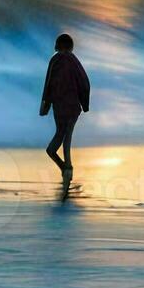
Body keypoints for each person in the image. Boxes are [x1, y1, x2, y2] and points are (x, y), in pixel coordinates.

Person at [41, 33, 91, 181]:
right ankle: (67, 168)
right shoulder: (74, 60)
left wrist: (46, 104)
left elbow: (48, 84)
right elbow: (85, 83)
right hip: (73, 106)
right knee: (67, 136)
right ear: (71, 46)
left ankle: (64, 166)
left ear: (58, 45)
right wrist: (85, 104)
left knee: (60, 134)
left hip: (59, 105)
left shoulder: (55, 60)